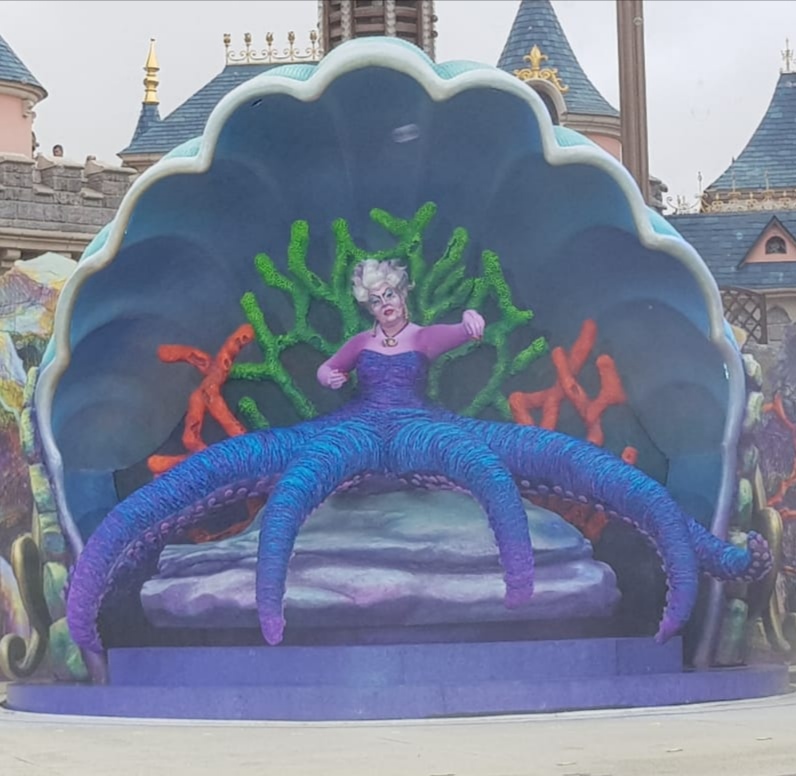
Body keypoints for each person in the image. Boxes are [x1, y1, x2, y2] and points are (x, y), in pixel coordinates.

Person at [317, 259, 484, 390]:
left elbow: (463, 330)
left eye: (389, 295)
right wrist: (328, 377)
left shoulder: (423, 337)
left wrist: (470, 317)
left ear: (402, 296)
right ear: (371, 310)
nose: (385, 303)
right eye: (376, 301)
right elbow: (326, 368)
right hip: (362, 418)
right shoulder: (362, 341)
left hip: (415, 419)